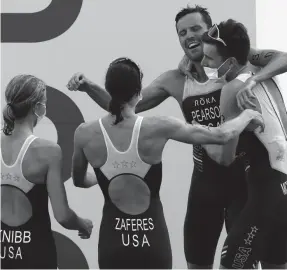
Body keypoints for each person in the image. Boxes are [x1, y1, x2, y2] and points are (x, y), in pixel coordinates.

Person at [66, 6, 287, 268]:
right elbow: (123, 104)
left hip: (245, 184)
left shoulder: (235, 64)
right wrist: (89, 86)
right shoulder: (174, 80)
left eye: (196, 29)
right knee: (197, 263)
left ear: (209, 32)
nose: (189, 36)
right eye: (182, 32)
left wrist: (253, 80)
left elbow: (282, 58)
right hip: (206, 186)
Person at [200, 19, 287, 269]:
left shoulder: (230, 91)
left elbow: (225, 158)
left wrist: (203, 137)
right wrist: (251, 81)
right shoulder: (266, 75)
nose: (204, 63)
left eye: (210, 59)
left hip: (267, 196)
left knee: (229, 265)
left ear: (231, 62)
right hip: (283, 191)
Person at [1, 75, 93, 269]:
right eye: (44, 103)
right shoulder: (48, 151)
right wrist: (83, 224)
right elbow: (63, 216)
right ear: (37, 108)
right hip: (35, 253)